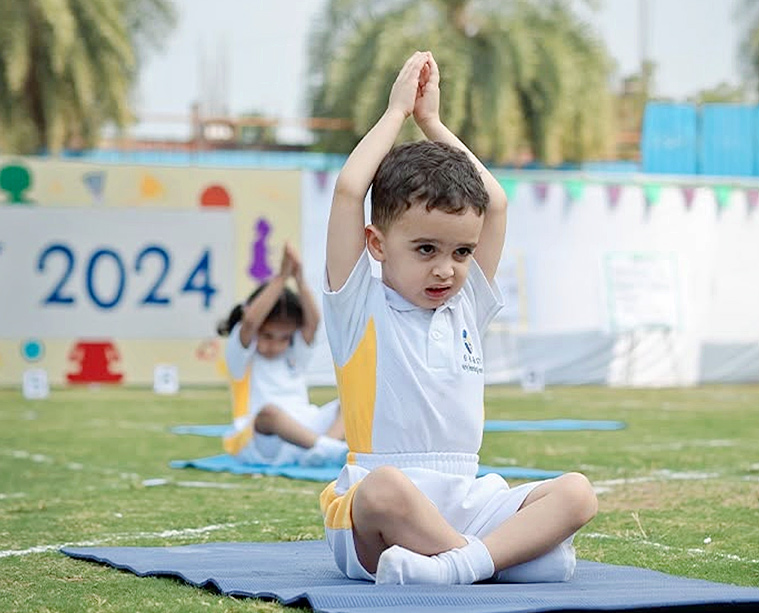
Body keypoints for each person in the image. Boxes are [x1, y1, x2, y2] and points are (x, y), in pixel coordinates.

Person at [319, 50, 597, 585]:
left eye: (461, 253)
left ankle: (453, 566)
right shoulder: (358, 306)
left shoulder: (468, 304)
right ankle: (492, 561)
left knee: (577, 493)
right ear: (376, 244)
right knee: (384, 489)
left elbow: (495, 204)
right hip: (382, 511)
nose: (446, 270)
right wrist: (398, 114)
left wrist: (435, 124)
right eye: (425, 249)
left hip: (469, 499)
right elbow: (351, 190)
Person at [217, 242, 347, 466]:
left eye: (283, 337)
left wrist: (299, 280)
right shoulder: (242, 357)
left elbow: (313, 322)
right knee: (269, 413)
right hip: (260, 440)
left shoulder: (294, 353)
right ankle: (328, 448)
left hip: (304, 432)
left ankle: (323, 447)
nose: (275, 345)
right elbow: (250, 321)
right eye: (267, 336)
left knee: (349, 401)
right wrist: (281, 277)